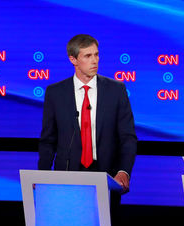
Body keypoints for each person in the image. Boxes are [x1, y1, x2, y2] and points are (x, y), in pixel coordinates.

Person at [38, 34, 137, 192]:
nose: (95, 60)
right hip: (67, 175)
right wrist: (42, 175)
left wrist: (123, 171)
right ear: (73, 60)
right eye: (88, 56)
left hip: (106, 176)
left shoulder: (116, 90)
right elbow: (48, 141)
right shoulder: (55, 93)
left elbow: (128, 137)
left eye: (96, 54)